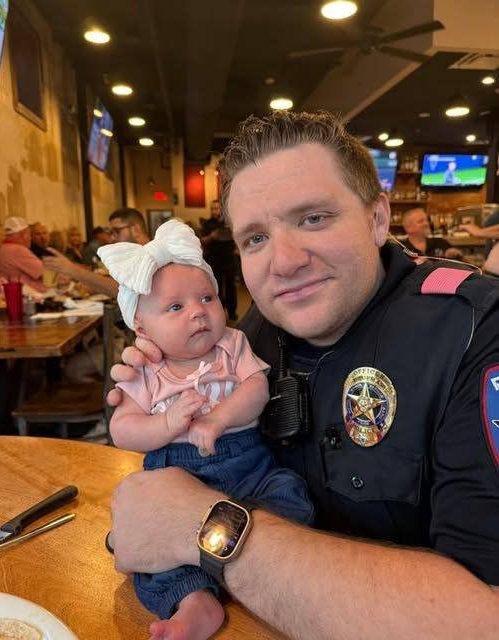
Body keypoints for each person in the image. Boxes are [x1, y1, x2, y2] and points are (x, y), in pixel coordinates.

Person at [108, 111, 499, 640]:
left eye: (313, 218)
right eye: (255, 239)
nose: (284, 262)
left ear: (378, 218)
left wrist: (204, 527)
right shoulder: (253, 332)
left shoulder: (477, 330)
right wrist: (154, 386)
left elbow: (485, 619)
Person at [98, 219, 313, 640]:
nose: (198, 311)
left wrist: (218, 418)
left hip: (248, 466)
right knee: (154, 558)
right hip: (176, 475)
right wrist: (165, 423)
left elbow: (256, 387)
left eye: (206, 298)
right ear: (142, 328)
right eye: (175, 308)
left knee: (290, 495)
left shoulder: (231, 344)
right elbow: (123, 430)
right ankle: (195, 600)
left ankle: (260, 568)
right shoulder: (144, 370)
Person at [200, 200, 238, 321]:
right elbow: (202, 241)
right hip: (214, 261)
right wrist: (212, 236)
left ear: (221, 209)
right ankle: (219, 311)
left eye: (216, 208)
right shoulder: (207, 224)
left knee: (231, 287)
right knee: (216, 288)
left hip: (229, 260)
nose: (214, 211)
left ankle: (232, 312)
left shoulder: (228, 222)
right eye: (212, 208)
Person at [0, 217, 46, 292]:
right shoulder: (17, 250)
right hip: (29, 296)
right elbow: (45, 273)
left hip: (13, 294)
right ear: (23, 235)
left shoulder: (4, 248)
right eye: (30, 235)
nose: (30, 238)